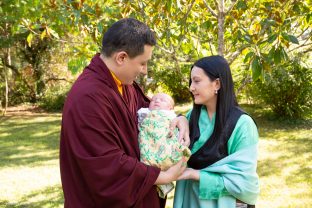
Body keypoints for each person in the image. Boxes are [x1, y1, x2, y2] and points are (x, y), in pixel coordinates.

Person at [60, 18, 189, 208]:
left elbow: (152, 112)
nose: (144, 71)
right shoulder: (87, 98)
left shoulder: (121, 84)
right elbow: (107, 165)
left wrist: (179, 118)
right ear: (121, 58)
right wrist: (163, 176)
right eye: (142, 63)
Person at [173, 56, 260, 208]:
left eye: (197, 81)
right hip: (191, 201)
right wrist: (180, 119)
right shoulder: (192, 116)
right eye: (191, 81)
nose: (191, 87)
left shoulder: (242, 124)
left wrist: (194, 174)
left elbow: (245, 185)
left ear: (217, 84)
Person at [137, 93, 191, 198]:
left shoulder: (171, 115)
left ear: (170, 107)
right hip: (149, 140)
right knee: (147, 155)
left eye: (162, 100)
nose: (157, 101)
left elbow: (176, 128)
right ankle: (159, 177)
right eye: (154, 100)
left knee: (170, 150)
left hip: (164, 139)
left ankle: (164, 174)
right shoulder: (144, 112)